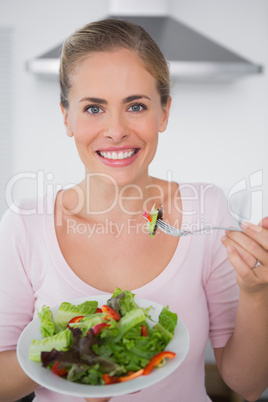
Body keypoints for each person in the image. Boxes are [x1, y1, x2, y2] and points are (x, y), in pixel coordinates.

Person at [0, 18, 267, 402]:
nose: (116, 130)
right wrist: (79, 360)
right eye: (93, 108)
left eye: (136, 106)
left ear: (164, 113)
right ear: (66, 118)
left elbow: (249, 384)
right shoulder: (24, 225)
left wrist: (258, 294)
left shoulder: (203, 210)